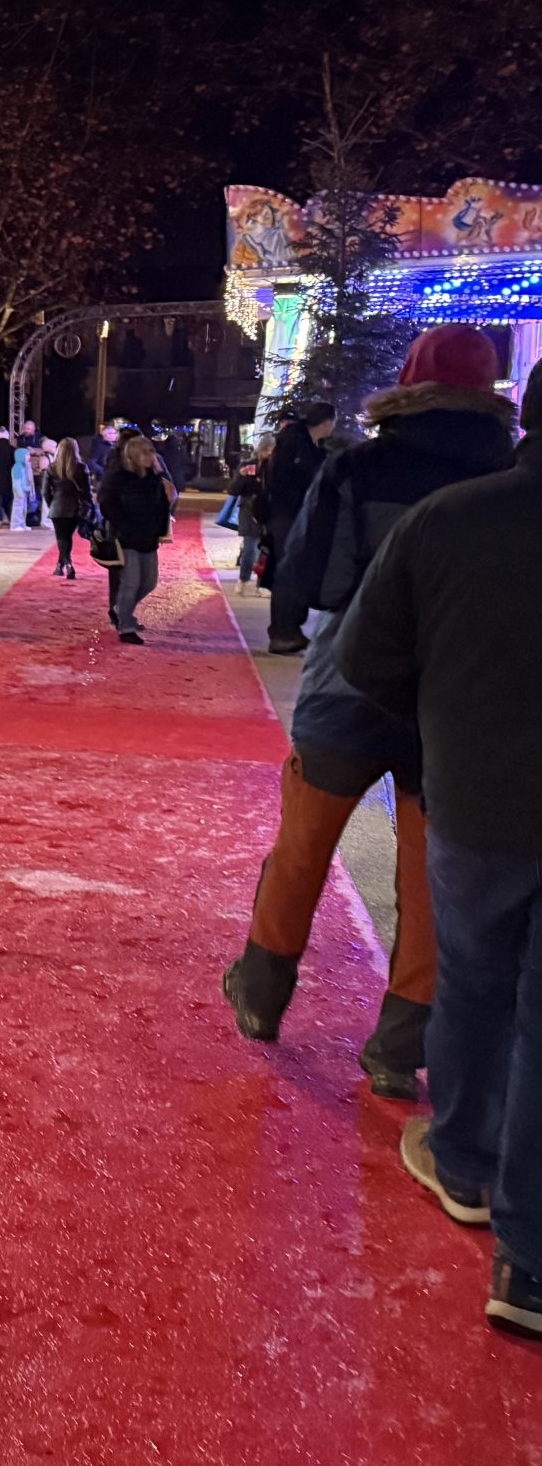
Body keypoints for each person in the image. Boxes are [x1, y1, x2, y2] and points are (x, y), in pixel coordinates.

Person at [222, 326, 515, 1100]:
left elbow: (316, 574)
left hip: (349, 679)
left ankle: (262, 990)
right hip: (451, 695)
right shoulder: (505, 474)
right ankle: (399, 1040)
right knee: (426, 870)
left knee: (304, 840)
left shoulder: (360, 466)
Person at [336, 361, 542, 1338]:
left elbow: (363, 654)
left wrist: (442, 714)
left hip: (479, 799)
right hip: (483, 798)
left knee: (474, 980)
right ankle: (529, 1262)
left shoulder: (451, 520)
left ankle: (464, 1163)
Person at [261, 398, 338, 653]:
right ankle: (284, 631)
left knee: (293, 569)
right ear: (327, 423)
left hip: (292, 514)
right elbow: (288, 481)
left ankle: (290, 628)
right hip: (289, 515)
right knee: (289, 570)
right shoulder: (296, 445)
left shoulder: (305, 444)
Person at [97, 430, 174, 643]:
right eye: (145, 453)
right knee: (131, 581)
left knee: (149, 582)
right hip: (127, 537)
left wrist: (160, 527)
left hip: (149, 537)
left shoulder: (153, 478)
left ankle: (122, 608)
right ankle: (126, 626)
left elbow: (163, 504)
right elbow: (107, 503)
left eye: (151, 452)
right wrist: (123, 527)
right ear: (133, 455)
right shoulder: (120, 477)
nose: (151, 456)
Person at [225, 436, 271, 589]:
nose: (268, 454)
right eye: (266, 450)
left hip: (269, 512)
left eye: (271, 450)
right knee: (250, 547)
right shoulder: (248, 465)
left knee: (266, 551)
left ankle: (262, 584)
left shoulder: (277, 466)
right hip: (249, 510)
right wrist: (242, 476)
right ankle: (244, 578)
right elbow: (233, 490)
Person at [44, 438, 93, 577]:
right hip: (74, 508)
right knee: (66, 537)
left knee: (62, 537)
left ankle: (67, 565)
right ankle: (62, 565)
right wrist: (90, 507)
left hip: (57, 507)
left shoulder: (52, 467)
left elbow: (45, 491)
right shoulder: (81, 467)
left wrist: (51, 504)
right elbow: (87, 491)